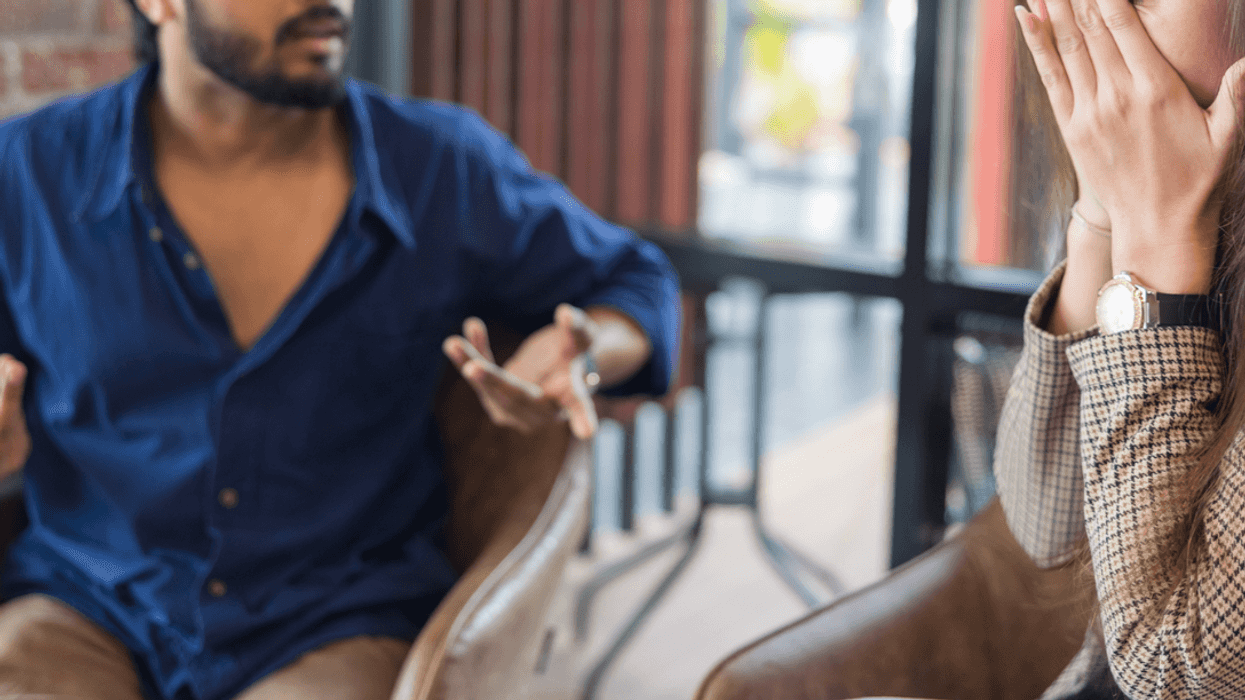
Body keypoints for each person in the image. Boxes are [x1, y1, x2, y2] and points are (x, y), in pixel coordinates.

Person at [0, 0, 680, 699]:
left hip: (335, 620)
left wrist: (585, 355)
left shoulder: (439, 166)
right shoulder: (25, 175)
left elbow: (637, 280)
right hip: (85, 604)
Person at [996, 0, 1245, 697]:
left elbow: (1174, 671)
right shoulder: (1173, 188)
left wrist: (1159, 236)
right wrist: (1103, 216)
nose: (1091, 19)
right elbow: (1045, 521)